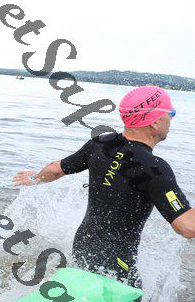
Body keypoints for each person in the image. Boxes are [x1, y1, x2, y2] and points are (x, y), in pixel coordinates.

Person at [13, 86, 195, 288]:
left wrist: (35, 178)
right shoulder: (155, 168)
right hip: (116, 262)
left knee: (84, 297)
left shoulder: (100, 143)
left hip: (83, 245)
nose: (171, 119)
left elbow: (56, 169)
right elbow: (187, 227)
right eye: (171, 113)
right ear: (154, 121)